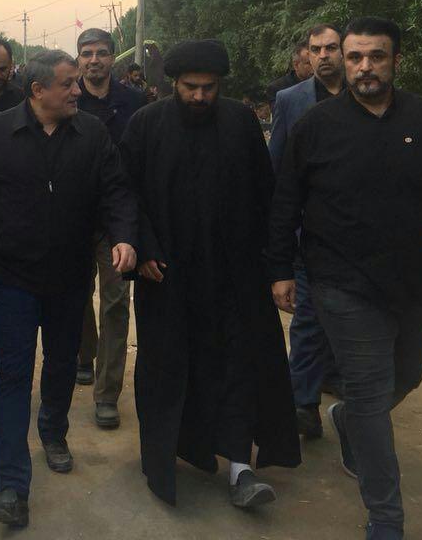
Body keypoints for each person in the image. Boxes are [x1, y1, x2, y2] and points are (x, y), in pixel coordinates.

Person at [266, 17, 422, 540]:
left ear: (395, 61)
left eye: (376, 57)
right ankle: (387, 518)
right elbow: (285, 204)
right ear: (343, 62)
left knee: (406, 377)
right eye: (355, 57)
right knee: (371, 395)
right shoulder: (316, 127)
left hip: (412, 282)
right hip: (339, 284)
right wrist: (279, 270)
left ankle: (347, 419)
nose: (364, 67)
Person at [0, 50, 137, 529]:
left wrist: (123, 236)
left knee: (61, 364)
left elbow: (115, 190)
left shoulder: (92, 134)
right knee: (12, 377)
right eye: (68, 83)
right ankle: (11, 487)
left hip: (69, 279)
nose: (77, 90)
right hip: (10, 280)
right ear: (38, 91)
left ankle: (53, 432)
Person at [121, 39, 299, 510]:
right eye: (190, 87)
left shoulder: (240, 121)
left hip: (234, 275)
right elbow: (125, 194)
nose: (199, 96)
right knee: (171, 368)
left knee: (237, 362)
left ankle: (241, 467)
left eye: (209, 88)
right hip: (167, 276)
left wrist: (277, 266)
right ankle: (166, 458)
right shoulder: (145, 124)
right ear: (173, 84)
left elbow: (265, 195)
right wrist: (143, 248)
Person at [267, 23, 345, 440]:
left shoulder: (365, 95)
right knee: (308, 320)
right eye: (317, 49)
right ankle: (304, 404)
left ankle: (344, 391)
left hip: (355, 235)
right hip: (306, 232)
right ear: (307, 56)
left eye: (331, 47)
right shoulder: (290, 100)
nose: (324, 56)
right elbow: (276, 168)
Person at [71, 28, 145, 430]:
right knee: (76, 293)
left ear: (113, 58)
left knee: (116, 302)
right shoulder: (68, 99)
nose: (94, 60)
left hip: (118, 217)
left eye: (101, 53)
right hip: (76, 216)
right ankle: (86, 354)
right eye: (87, 53)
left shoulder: (133, 102)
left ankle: (107, 394)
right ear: (78, 59)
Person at [265, 40, 313, 105]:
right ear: (296, 65)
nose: (314, 66)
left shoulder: (323, 81)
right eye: (309, 63)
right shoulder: (278, 89)